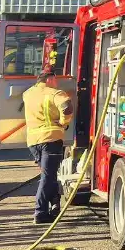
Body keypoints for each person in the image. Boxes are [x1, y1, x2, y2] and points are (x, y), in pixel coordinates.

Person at [23, 72, 74, 224]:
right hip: (51, 139)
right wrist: (64, 123)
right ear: (50, 79)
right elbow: (67, 107)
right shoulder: (54, 93)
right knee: (48, 176)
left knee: (49, 175)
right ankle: (40, 212)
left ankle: (55, 205)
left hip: (33, 141)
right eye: (55, 80)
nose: (57, 83)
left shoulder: (28, 94)